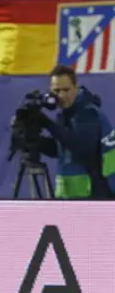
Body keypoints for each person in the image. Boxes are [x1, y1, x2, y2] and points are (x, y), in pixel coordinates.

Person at [36, 65, 115, 198]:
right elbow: (62, 149)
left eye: (66, 90)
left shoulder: (89, 113)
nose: (61, 95)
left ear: (76, 87)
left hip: (94, 195)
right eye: (56, 90)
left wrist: (47, 123)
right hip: (70, 196)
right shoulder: (64, 115)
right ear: (50, 91)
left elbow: (82, 148)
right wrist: (36, 142)